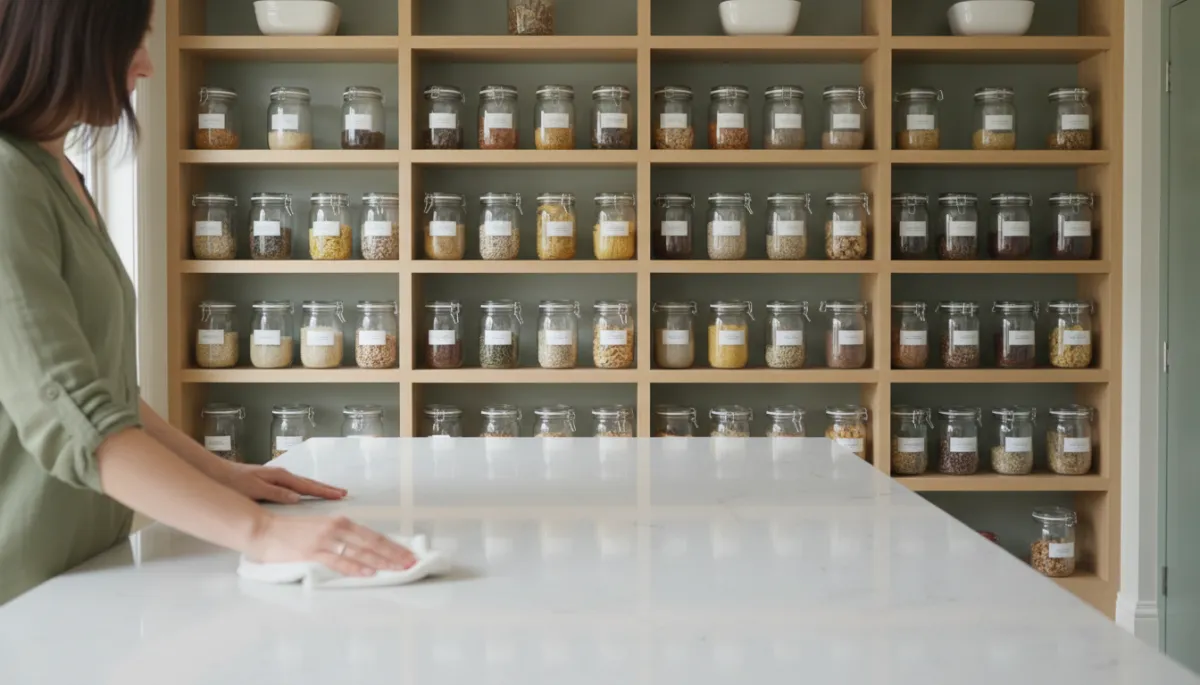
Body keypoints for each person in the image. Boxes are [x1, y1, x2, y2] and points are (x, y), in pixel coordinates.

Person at [0, 0, 415, 605]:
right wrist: (262, 534)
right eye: (132, 42)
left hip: (83, 570)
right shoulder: (8, 180)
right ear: (68, 44)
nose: (145, 67)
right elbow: (73, 415)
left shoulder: (56, 170)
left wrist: (224, 474)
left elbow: (107, 389)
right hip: (19, 587)